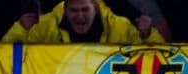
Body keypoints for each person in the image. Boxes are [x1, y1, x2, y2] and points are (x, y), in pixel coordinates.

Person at [25, 0, 165, 44]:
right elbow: (8, 55)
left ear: (96, 9)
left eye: (85, 10)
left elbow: (162, 51)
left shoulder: (120, 23)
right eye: (74, 11)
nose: (80, 16)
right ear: (66, 9)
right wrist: (22, 29)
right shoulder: (46, 22)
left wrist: (147, 34)